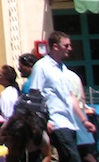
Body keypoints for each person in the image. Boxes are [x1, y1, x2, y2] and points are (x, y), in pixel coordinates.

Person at [29, 31, 96, 162]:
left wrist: (84, 121)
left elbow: (71, 97)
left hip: (71, 122)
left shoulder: (63, 69)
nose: (70, 49)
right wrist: (45, 120)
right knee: (73, 158)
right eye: (66, 46)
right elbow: (34, 95)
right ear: (55, 46)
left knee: (73, 157)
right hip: (56, 122)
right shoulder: (42, 66)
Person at [0, 89, 51, 162]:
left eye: (20, 143)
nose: (18, 145)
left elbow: (47, 155)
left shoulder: (38, 135)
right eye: (15, 142)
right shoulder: (5, 131)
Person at [65, 69, 98, 162]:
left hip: (71, 115)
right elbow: (83, 97)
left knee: (81, 152)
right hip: (81, 113)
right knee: (85, 151)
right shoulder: (74, 75)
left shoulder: (60, 76)